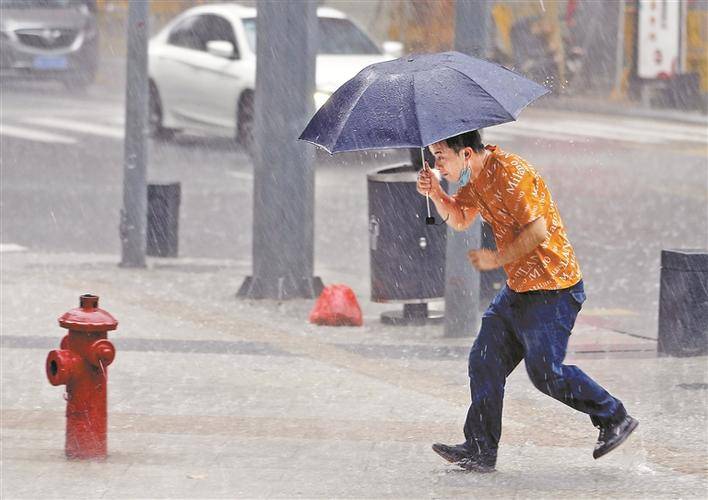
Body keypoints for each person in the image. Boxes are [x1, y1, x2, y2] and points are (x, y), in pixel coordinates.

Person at [416, 130, 637, 472]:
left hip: (554, 288)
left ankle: (614, 416)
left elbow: (538, 232)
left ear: (467, 154)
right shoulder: (473, 179)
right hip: (519, 288)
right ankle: (480, 449)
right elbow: (460, 219)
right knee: (484, 361)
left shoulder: (512, 173)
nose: (436, 164)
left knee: (545, 372)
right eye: (432, 156)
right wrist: (436, 194)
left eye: (440, 156)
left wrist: (495, 258)